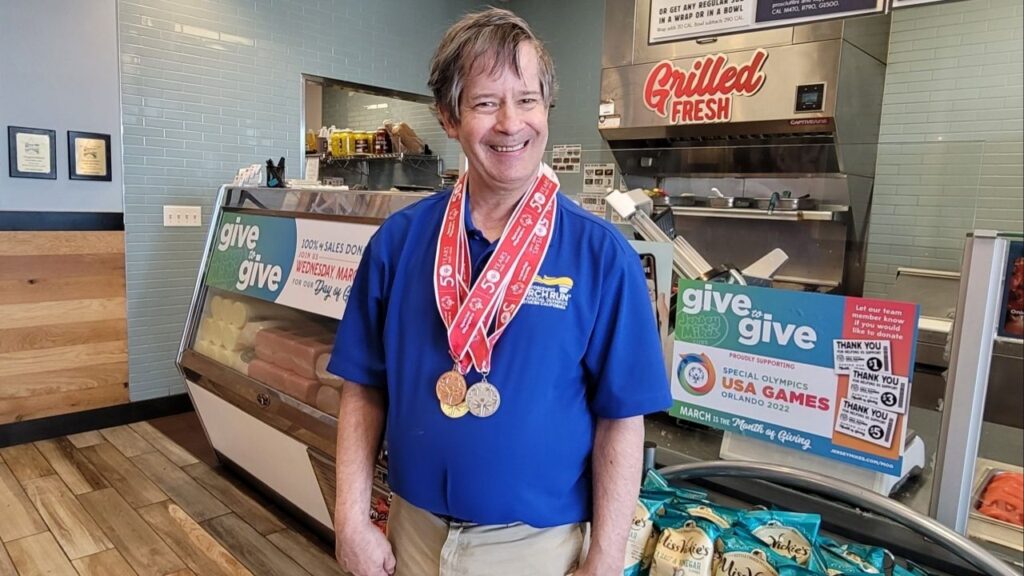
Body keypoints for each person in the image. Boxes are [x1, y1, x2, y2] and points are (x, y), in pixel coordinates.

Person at [329, 8, 670, 576]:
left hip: (537, 549)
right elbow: (363, 389)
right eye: (487, 102)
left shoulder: (602, 256)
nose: (512, 123)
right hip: (411, 532)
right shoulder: (400, 243)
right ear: (449, 116)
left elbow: (621, 420)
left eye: (528, 99)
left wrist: (606, 557)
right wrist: (350, 519)